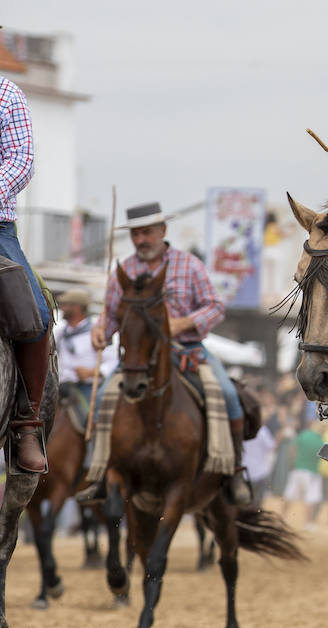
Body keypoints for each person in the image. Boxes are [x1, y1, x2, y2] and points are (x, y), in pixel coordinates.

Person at [76, 202, 254, 507]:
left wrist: (182, 323)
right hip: (138, 359)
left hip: (189, 350)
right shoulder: (124, 270)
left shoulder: (190, 265)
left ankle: (235, 470)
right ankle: (99, 473)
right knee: (103, 398)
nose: (141, 240)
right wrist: (100, 330)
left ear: (163, 231)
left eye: (147, 232)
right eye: (136, 234)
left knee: (227, 393)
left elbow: (215, 306)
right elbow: (112, 313)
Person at [0, 68, 51, 473]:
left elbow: (22, 160)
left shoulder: (7, 94)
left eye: (147, 231)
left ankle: (26, 424)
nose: (141, 238)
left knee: (36, 312)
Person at [53, 289, 112, 404]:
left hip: (85, 387)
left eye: (65, 305)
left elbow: (112, 362)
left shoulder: (96, 333)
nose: (61, 308)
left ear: (77, 308)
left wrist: (91, 372)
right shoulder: (60, 333)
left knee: (94, 415)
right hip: (61, 387)